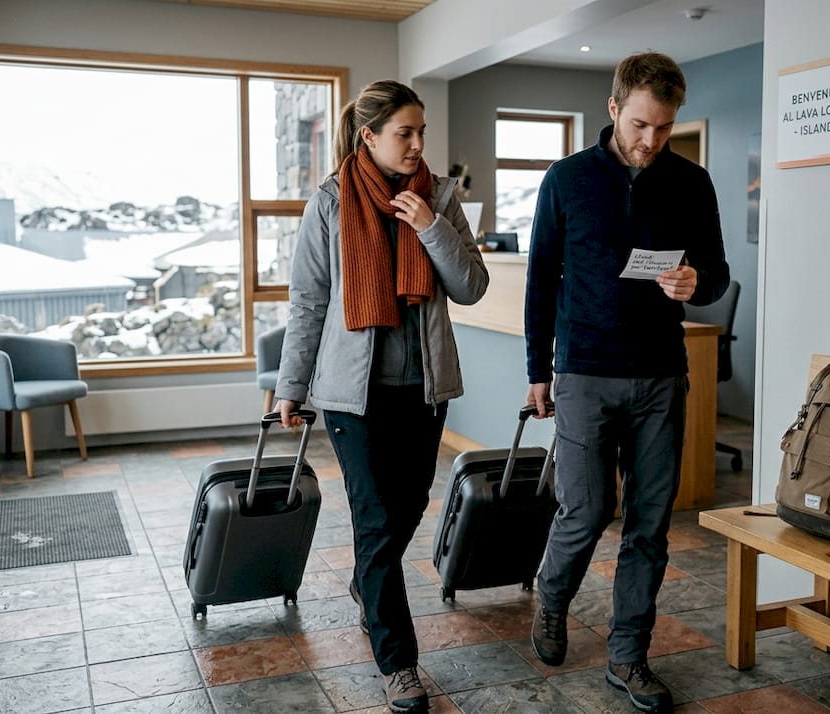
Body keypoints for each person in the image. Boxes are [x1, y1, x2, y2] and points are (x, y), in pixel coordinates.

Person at [523, 52, 731, 714]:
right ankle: (552, 597)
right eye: (641, 125)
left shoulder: (692, 183)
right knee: (587, 510)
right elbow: (538, 281)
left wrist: (699, 282)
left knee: (650, 523)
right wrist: (538, 370)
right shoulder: (566, 180)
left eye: (664, 129)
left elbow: (718, 271)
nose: (651, 142)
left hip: (662, 376)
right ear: (614, 109)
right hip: (584, 371)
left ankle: (628, 657)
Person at [273, 79, 488, 714]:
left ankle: (370, 582)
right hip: (351, 396)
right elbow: (309, 301)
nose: (419, 144)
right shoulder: (331, 202)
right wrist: (292, 386)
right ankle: (399, 664)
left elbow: (471, 286)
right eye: (405, 133)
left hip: (423, 391)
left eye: (422, 132)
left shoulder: (440, 199)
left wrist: (430, 229)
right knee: (373, 519)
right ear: (369, 135)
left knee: (407, 509)